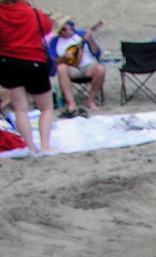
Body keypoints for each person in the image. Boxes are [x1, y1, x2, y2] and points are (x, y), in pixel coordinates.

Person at [0, 0, 55, 156]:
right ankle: (45, 145)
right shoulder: (34, 13)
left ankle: (30, 146)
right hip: (34, 61)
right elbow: (47, 28)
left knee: (20, 109)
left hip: (7, 62)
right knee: (46, 108)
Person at [49, 16, 105, 117]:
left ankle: (91, 100)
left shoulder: (82, 34)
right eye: (59, 31)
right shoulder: (55, 41)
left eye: (64, 29)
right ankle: (71, 103)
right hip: (71, 69)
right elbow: (53, 62)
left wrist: (91, 41)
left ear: (68, 25)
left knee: (100, 69)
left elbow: (97, 53)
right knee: (61, 68)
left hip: (88, 67)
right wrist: (63, 58)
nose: (62, 32)